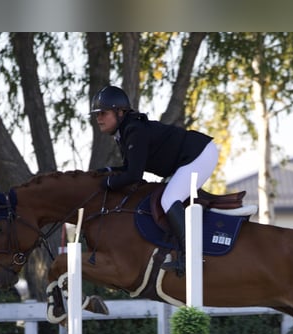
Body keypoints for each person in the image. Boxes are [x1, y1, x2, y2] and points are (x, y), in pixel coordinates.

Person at [91, 85, 219, 276]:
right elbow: (129, 168)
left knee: (168, 199)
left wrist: (107, 184)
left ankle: (191, 257)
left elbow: (134, 176)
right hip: (189, 157)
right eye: (97, 114)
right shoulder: (126, 130)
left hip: (199, 154)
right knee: (165, 197)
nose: (98, 118)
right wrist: (108, 171)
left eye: (103, 113)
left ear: (120, 112)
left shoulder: (134, 129)